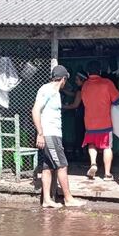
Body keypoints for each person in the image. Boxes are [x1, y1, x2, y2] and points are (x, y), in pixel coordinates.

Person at [32, 65, 85, 209]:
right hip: (49, 134)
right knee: (62, 165)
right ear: (63, 79)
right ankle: (68, 199)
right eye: (65, 80)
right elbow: (35, 110)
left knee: (47, 167)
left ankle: (47, 200)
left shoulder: (55, 91)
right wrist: (41, 134)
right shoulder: (47, 90)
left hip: (53, 134)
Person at [77, 60, 119, 180]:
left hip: (89, 123)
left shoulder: (85, 85)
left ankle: (93, 164)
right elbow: (118, 100)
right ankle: (107, 174)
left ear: (88, 72)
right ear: (100, 71)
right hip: (104, 123)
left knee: (91, 144)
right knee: (107, 147)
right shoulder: (107, 83)